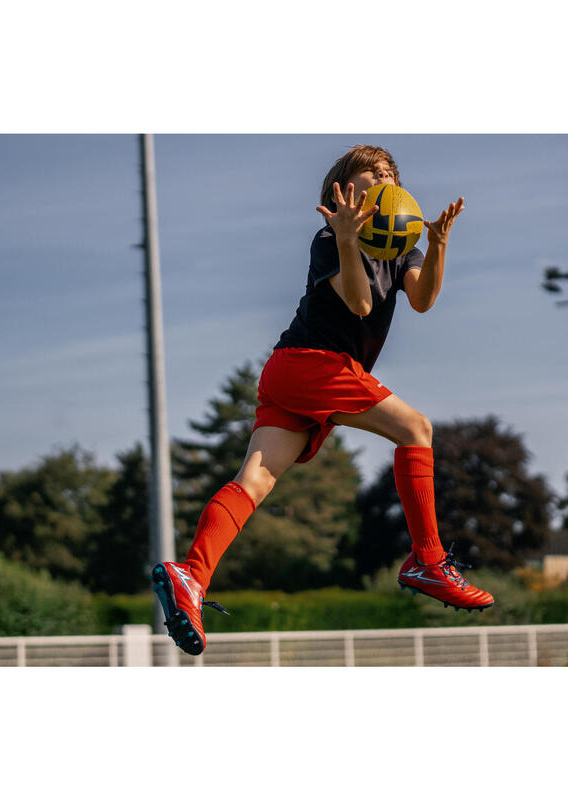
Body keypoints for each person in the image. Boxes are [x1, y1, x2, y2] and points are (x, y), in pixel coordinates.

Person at [152, 145, 494, 656]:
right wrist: (347, 238)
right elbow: (358, 303)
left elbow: (422, 299)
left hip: (290, 373)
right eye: (370, 172)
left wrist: (439, 244)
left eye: (390, 173)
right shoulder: (330, 238)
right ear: (343, 190)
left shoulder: (401, 244)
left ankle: (191, 576)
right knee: (416, 429)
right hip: (315, 363)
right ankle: (428, 559)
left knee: (256, 480)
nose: (383, 176)